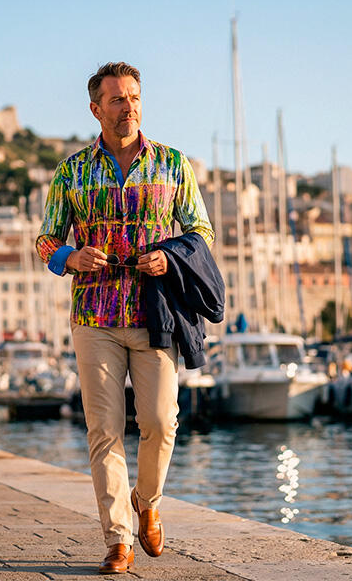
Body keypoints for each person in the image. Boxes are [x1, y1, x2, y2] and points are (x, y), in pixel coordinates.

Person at [36, 62, 214, 574]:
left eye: (133, 97)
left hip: (155, 312)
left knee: (161, 421)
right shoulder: (71, 171)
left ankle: (148, 501)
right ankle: (118, 539)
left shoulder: (174, 165)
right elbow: (46, 238)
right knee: (104, 429)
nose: (128, 106)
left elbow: (201, 229)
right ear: (96, 109)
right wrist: (69, 257)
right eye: (116, 99)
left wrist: (171, 256)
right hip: (94, 314)